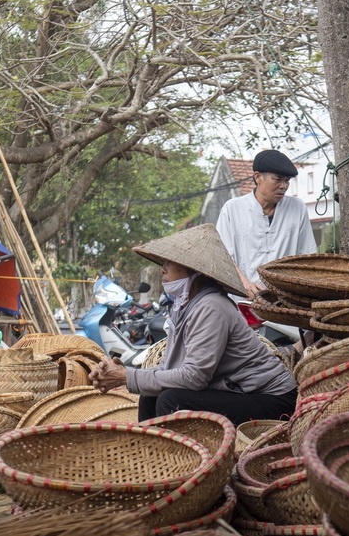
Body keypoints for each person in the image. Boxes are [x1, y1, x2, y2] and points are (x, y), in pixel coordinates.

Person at [89, 224, 297, 425]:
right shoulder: (186, 306)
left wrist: (127, 376)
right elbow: (170, 367)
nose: (163, 268)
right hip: (236, 390)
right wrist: (126, 374)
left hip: (271, 398)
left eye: (170, 262)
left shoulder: (210, 307)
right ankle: (152, 453)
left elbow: (194, 377)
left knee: (171, 401)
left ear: (194, 270)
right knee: (150, 396)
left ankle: (182, 459)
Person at [215, 149, 317, 300]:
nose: (283, 186)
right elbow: (221, 254)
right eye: (278, 179)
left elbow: (307, 255)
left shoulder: (297, 208)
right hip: (243, 301)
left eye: (287, 181)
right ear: (258, 177)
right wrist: (244, 282)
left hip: (285, 303)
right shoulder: (232, 209)